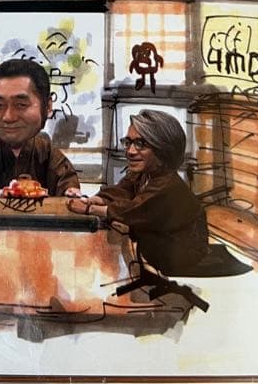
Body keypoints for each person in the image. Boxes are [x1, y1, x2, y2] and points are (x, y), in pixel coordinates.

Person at [67, 108, 208, 274]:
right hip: (155, 250)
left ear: (162, 149)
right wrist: (99, 199)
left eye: (140, 144)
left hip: (181, 257)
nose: (130, 151)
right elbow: (122, 190)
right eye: (128, 142)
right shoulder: (144, 174)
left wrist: (90, 209)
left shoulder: (168, 185)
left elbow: (135, 209)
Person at [0, 59, 80, 201]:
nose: (8, 117)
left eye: (21, 105)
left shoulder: (47, 153)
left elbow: (66, 180)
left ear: (48, 106)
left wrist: (70, 190)